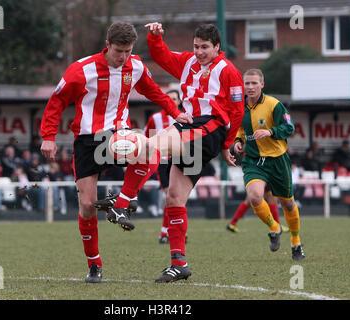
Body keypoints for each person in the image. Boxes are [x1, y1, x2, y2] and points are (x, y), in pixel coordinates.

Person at [40, 21, 192, 284]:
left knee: (148, 149)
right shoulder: (81, 70)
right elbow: (57, 101)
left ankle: (122, 203)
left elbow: (153, 91)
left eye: (128, 51)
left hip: (117, 133)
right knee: (87, 207)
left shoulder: (135, 66)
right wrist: (48, 137)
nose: (123, 57)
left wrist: (175, 111)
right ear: (107, 45)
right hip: (87, 140)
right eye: (119, 51)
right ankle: (94, 265)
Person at [95, 22, 245, 283]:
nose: (199, 52)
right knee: (174, 198)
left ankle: (122, 203)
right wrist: (155, 37)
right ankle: (179, 263)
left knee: (151, 146)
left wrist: (226, 144)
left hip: (208, 129)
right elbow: (161, 56)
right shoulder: (187, 62)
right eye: (196, 46)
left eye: (205, 47)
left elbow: (237, 110)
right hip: (190, 127)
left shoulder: (228, 70)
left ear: (217, 47)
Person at [233, 68, 305, 261]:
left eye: (254, 83)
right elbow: (239, 127)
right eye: (246, 83)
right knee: (255, 197)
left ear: (262, 85)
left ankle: (296, 242)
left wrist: (270, 132)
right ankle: (275, 228)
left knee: (287, 203)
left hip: (277, 160)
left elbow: (289, 127)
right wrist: (238, 141)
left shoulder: (274, 104)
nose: (250, 87)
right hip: (253, 160)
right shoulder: (239, 107)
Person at [144, 89, 180, 243]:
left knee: (176, 198)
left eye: (174, 99)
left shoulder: (184, 118)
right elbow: (147, 138)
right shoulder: (156, 118)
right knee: (170, 196)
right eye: (169, 98)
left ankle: (172, 231)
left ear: (179, 101)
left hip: (179, 160)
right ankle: (165, 232)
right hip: (163, 162)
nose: (171, 101)